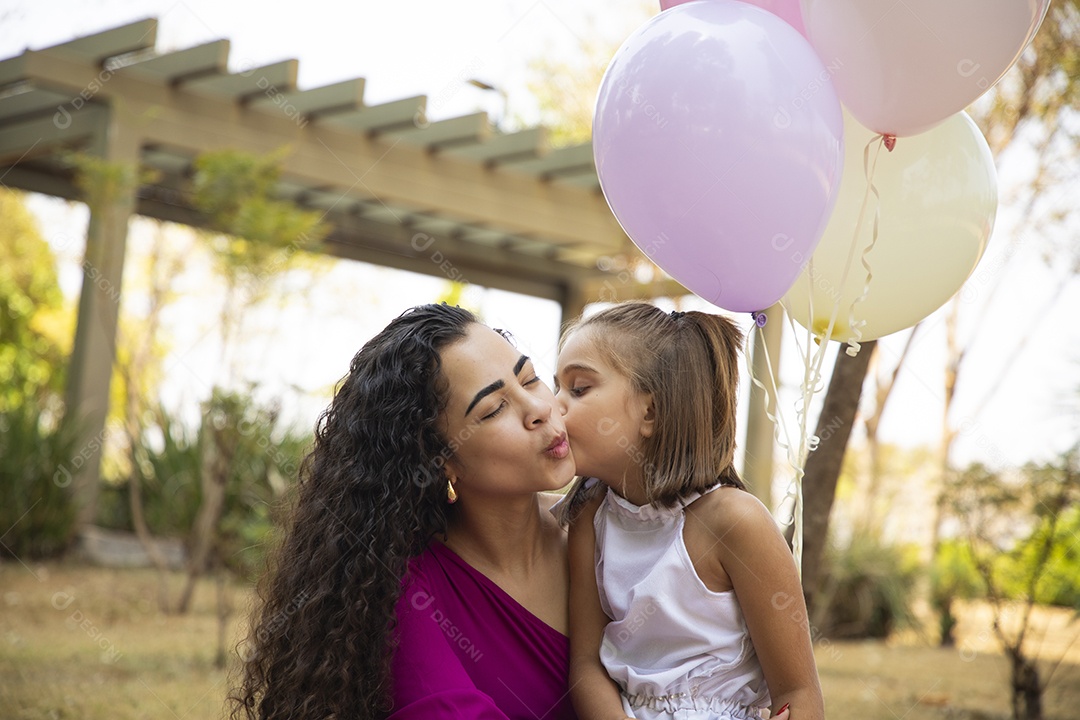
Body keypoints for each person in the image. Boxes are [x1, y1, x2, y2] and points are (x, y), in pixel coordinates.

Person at [230, 304, 579, 720]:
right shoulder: (404, 591)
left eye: (530, 378)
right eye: (493, 409)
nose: (539, 408)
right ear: (439, 459)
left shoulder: (611, 531)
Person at [554, 302, 823, 720]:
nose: (555, 406)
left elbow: (798, 692)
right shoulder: (591, 518)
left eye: (579, 388)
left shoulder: (735, 521)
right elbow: (586, 665)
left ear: (652, 412)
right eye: (557, 387)